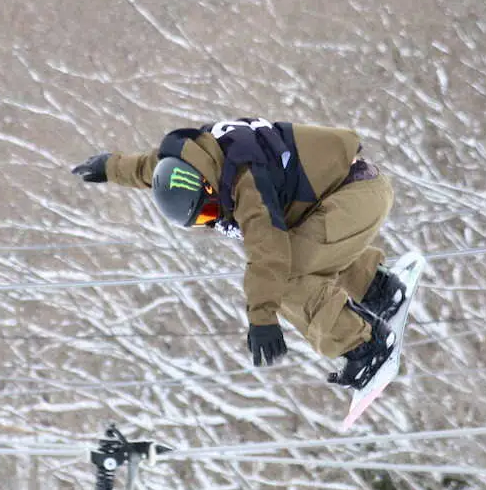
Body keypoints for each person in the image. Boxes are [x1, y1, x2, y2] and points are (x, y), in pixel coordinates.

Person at [71, 117, 407, 390]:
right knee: (303, 247)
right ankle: (376, 289)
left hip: (358, 194)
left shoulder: (245, 180)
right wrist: (109, 167)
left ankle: (367, 347)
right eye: (201, 220)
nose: (213, 218)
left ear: (208, 186)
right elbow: (149, 168)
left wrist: (261, 318)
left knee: (286, 276)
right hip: (341, 195)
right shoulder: (195, 158)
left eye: (208, 210)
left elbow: (268, 254)